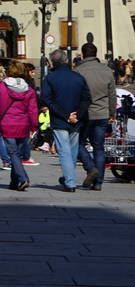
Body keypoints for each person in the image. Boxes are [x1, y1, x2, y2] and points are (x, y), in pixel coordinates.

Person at [39, 48, 90, 192]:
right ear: (67, 60)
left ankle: (70, 182)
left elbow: (47, 99)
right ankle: (69, 178)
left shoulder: (50, 78)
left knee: (65, 152)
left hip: (60, 120)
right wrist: (77, 114)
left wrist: (65, 115)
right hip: (75, 120)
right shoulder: (78, 77)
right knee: (72, 152)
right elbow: (87, 98)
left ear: (53, 62)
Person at [74, 42, 117, 191]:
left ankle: (90, 167)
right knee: (99, 148)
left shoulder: (78, 70)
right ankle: (98, 183)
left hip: (85, 114)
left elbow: (76, 94)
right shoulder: (107, 71)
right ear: (96, 54)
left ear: (83, 54)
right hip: (102, 114)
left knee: (78, 143)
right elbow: (112, 94)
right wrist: (112, 113)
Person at [0, 59, 39, 191]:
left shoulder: (2, 86)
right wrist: (35, 126)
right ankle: (14, 182)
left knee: (13, 153)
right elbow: (33, 110)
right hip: (23, 123)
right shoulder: (28, 89)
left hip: (7, 123)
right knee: (18, 154)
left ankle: (23, 178)